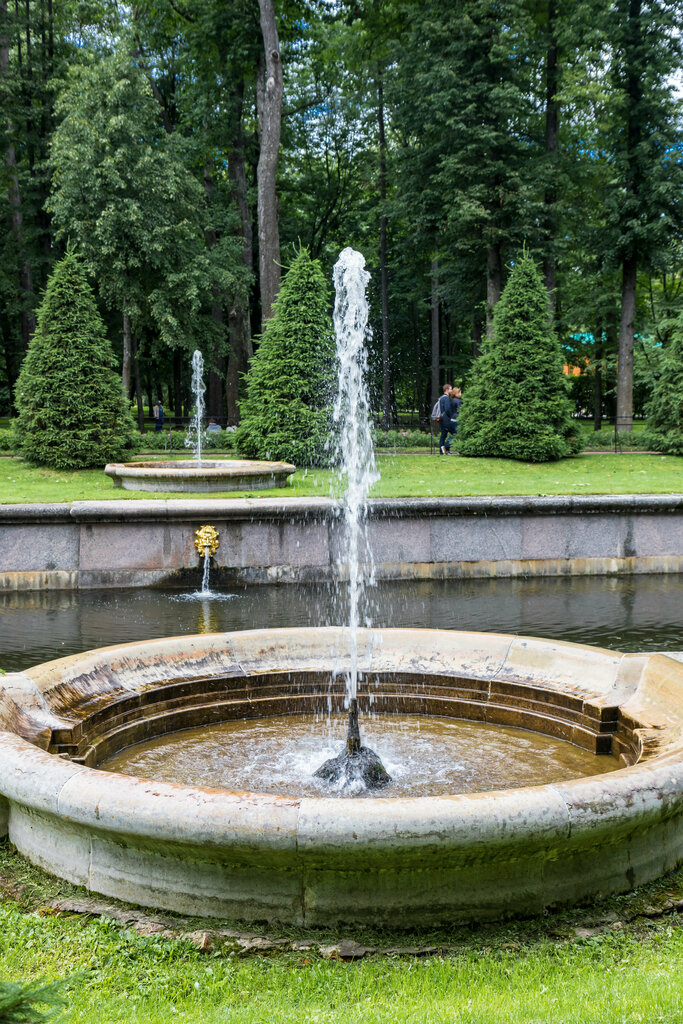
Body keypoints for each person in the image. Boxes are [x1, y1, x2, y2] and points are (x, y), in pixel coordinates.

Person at [438, 383, 457, 454]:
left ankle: (442, 451)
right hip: (446, 420)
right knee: (455, 433)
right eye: (451, 389)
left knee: (443, 434)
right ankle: (446, 447)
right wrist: (451, 416)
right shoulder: (446, 398)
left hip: (442, 419)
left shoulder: (441, 397)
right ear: (447, 390)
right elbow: (447, 409)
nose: (451, 390)